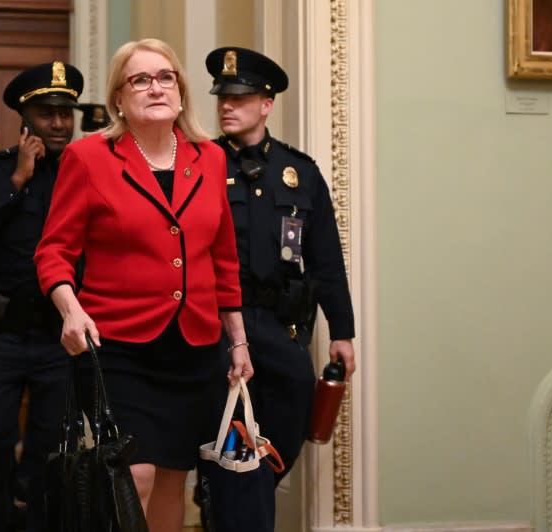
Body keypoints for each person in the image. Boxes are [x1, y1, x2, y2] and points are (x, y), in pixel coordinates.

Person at [33, 38, 253, 532]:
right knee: (134, 473)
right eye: (140, 79)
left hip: (194, 345)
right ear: (118, 98)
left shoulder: (210, 158)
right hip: (118, 345)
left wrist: (237, 339)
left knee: (174, 477)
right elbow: (53, 251)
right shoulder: (89, 158)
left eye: (165, 77)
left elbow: (223, 257)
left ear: (180, 91)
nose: (155, 87)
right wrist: (70, 308)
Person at [201, 45, 357, 526]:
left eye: (240, 97)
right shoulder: (199, 164)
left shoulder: (300, 173)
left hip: (283, 332)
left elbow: (326, 259)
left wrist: (342, 331)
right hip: (222, 332)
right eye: (223, 97)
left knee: (279, 444)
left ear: (266, 104)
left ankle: (228, 509)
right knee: (229, 453)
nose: (227, 105)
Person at [0, 61, 84, 532]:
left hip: (58, 338)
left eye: (65, 113)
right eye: (47, 112)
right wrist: (17, 182)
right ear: (24, 118)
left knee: (52, 452)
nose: (57, 123)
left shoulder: (85, 169)